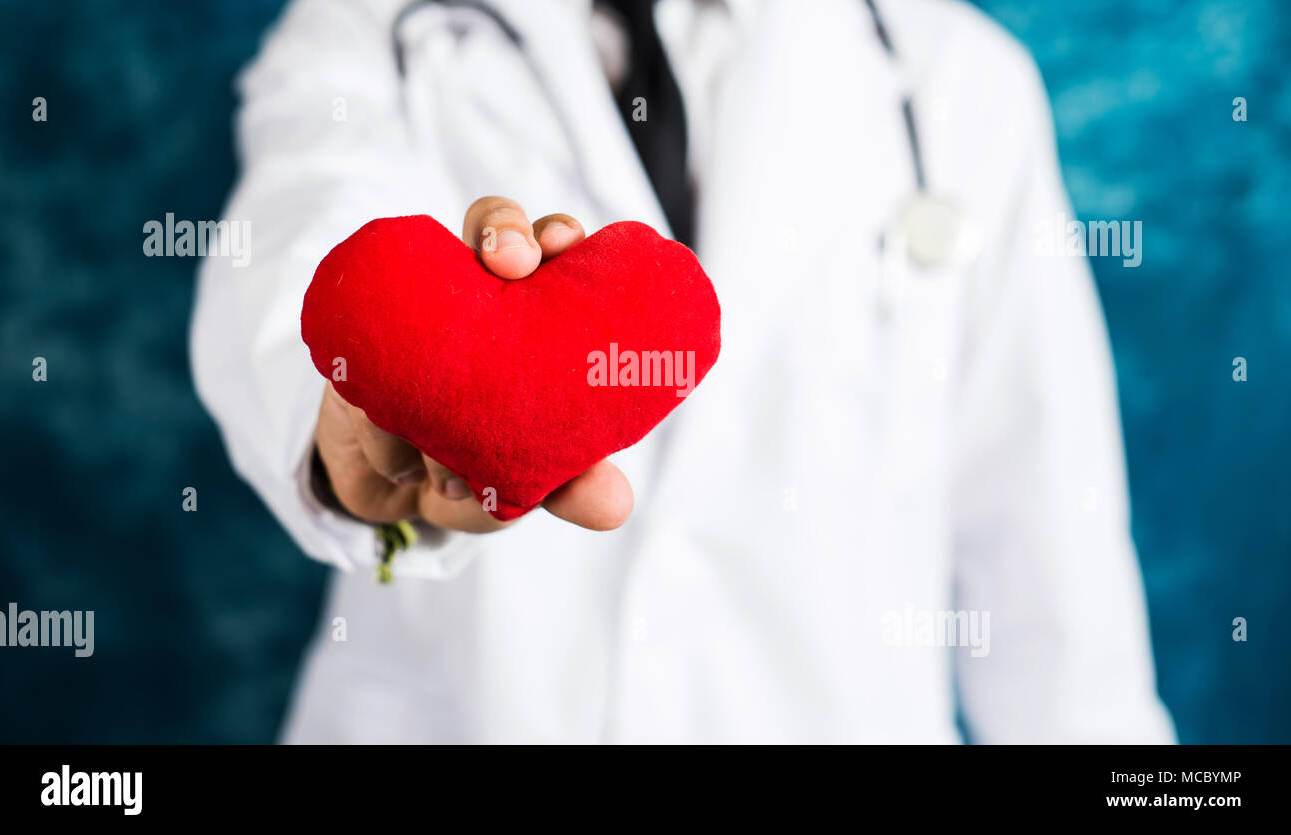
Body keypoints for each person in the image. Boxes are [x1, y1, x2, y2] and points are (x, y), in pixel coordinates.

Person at [190, 0, 1176, 743]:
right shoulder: (373, 31)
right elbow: (297, 233)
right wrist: (344, 426)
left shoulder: (955, 80)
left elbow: (1051, 552)